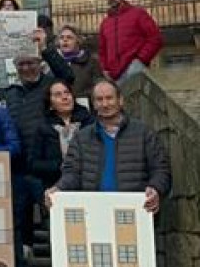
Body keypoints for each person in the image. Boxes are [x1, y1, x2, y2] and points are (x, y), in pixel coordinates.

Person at [3, 27, 74, 267]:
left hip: (46, 168)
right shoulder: (10, 92)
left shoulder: (49, 87)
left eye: (31, 63)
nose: (27, 68)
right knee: (18, 223)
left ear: (40, 64)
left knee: (52, 223)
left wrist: (45, 47)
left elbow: (67, 75)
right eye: (22, 64)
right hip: (18, 167)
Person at [47, 79, 171, 211]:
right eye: (99, 99)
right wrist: (58, 188)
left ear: (120, 100)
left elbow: (160, 170)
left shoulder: (144, 133)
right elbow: (72, 173)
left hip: (135, 209)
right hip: (94, 209)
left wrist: (155, 189)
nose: (105, 104)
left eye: (109, 98)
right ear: (93, 104)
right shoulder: (81, 137)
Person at [29, 79, 92, 189]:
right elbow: (34, 165)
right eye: (58, 95)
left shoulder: (89, 122)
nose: (64, 97)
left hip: (88, 184)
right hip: (56, 186)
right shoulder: (43, 128)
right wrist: (59, 165)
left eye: (67, 92)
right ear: (50, 103)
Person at [97, 0, 163, 83]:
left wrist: (140, 61)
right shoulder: (105, 23)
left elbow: (155, 38)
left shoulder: (138, 14)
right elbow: (102, 50)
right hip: (113, 77)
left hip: (134, 71)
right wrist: (104, 69)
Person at [55, 25, 102, 100]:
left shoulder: (91, 61)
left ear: (78, 40)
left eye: (69, 37)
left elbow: (98, 86)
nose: (65, 40)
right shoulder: (52, 62)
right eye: (61, 37)